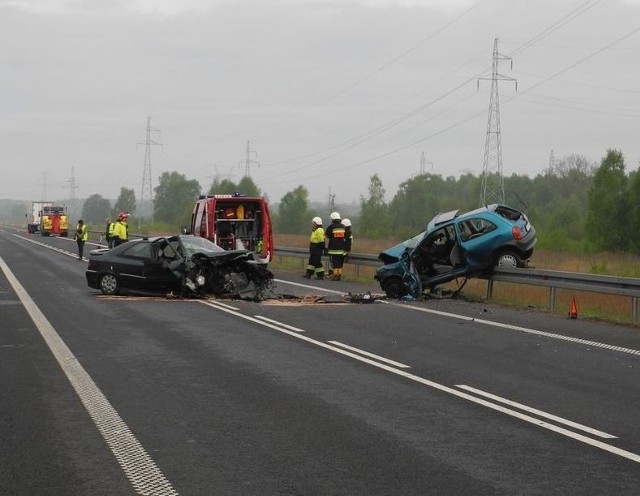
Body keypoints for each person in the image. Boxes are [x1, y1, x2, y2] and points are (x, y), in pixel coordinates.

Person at [325, 211, 347, 281]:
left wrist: (326, 247)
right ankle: (339, 276)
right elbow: (346, 237)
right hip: (341, 249)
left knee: (335, 263)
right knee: (340, 263)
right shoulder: (343, 227)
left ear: (333, 219)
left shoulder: (331, 227)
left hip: (333, 249)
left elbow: (326, 236)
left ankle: (335, 276)